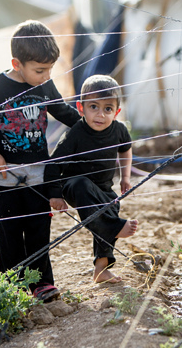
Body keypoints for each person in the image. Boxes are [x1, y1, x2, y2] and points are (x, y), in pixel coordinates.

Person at [0, 20, 81, 302]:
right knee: (10, 231)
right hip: (5, 174)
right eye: (40, 70)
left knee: (38, 228)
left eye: (50, 70)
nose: (46, 76)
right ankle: (13, 286)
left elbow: (63, 111)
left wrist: (89, 126)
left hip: (38, 173)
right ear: (16, 63)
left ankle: (41, 283)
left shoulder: (44, 86)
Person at [44, 74, 138, 284]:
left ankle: (101, 269)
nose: (100, 114)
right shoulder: (76, 133)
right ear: (81, 108)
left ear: (117, 112)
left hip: (103, 187)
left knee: (110, 208)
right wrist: (55, 195)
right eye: (93, 107)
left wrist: (125, 177)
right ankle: (115, 227)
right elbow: (53, 163)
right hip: (74, 186)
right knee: (83, 185)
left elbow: (126, 150)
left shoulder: (120, 130)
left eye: (107, 109)